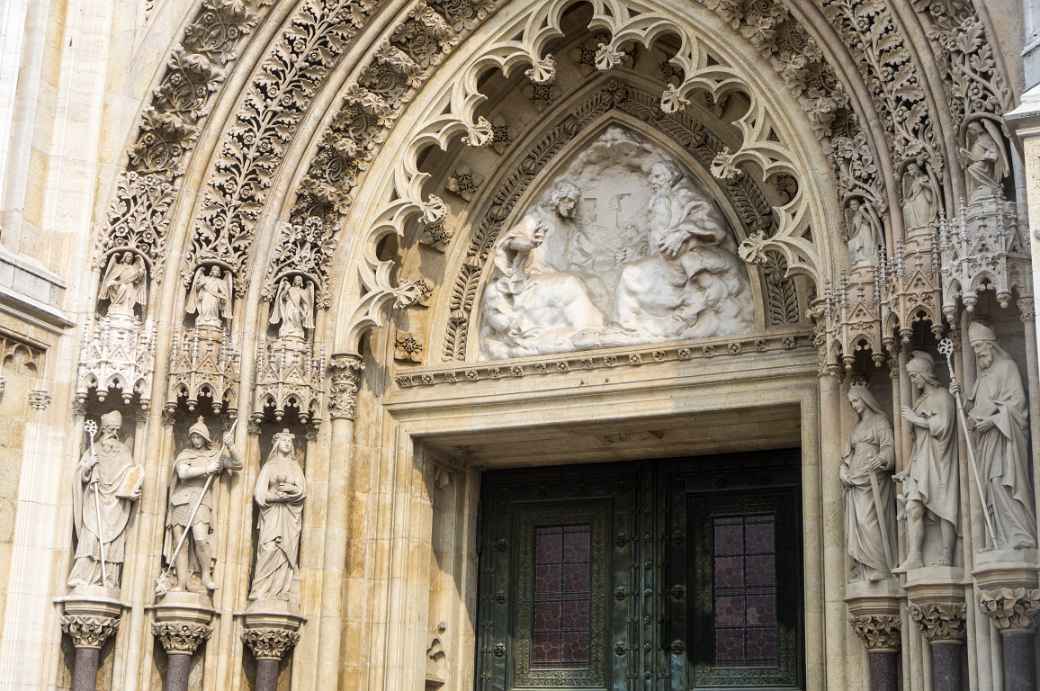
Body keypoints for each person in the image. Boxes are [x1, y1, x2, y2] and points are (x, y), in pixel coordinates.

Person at [614, 160, 753, 338]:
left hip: (686, 256)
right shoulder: (658, 200)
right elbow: (655, 237)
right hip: (666, 260)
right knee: (630, 273)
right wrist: (635, 253)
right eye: (651, 177)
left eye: (657, 176)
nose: (652, 181)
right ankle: (629, 325)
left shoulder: (684, 195)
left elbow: (709, 220)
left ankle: (633, 324)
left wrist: (682, 233)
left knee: (635, 273)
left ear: (670, 177)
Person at [480, 208, 605, 359]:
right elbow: (511, 241)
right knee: (569, 284)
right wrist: (530, 243)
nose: (571, 206)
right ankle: (586, 329)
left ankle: (589, 328)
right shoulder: (534, 220)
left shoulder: (570, 226)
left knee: (591, 283)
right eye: (568, 199)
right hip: (527, 276)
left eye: (573, 202)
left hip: (548, 272)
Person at [967, 321, 1036, 550]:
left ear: (990, 344)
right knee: (989, 486)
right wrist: (964, 404)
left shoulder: (1007, 367)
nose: (976, 352)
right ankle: (997, 538)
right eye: (973, 348)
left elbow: (1018, 404)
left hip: (1005, 439)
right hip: (987, 441)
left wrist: (993, 421)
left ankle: (1021, 535)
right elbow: (975, 410)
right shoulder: (982, 377)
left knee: (1001, 482)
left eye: (979, 346)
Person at [896, 351, 959, 569]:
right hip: (921, 460)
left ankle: (947, 556)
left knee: (944, 507)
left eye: (914, 376)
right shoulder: (920, 401)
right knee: (913, 507)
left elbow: (944, 426)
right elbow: (917, 442)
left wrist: (915, 419)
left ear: (924, 373)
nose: (913, 381)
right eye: (910, 377)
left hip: (940, 459)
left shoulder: (943, 396)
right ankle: (915, 556)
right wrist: (907, 469)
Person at [163, 417, 240, 592]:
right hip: (181, 500)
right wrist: (207, 469)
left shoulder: (215, 455)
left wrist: (231, 446)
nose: (196, 440)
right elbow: (183, 473)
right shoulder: (185, 455)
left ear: (205, 438)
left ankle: (206, 575)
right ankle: (181, 582)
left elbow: (238, 465)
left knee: (201, 539)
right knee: (180, 543)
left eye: (199, 437)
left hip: (202, 500)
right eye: (193, 437)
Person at [68, 410, 143, 590]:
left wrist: (130, 492)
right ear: (103, 429)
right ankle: (82, 576)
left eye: (115, 430)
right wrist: (88, 466)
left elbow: (131, 476)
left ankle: (108, 578)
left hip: (116, 504)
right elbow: (79, 474)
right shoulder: (93, 449)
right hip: (94, 501)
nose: (113, 434)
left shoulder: (124, 451)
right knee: (90, 535)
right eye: (109, 430)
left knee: (111, 540)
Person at [841, 384, 897, 582]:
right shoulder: (856, 429)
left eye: (856, 400)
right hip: (855, 482)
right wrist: (843, 472)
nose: (854, 405)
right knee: (857, 524)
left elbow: (889, 448)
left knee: (868, 521)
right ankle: (864, 568)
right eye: (851, 403)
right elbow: (846, 457)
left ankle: (879, 567)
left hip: (873, 479)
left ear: (865, 398)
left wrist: (881, 459)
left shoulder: (879, 421)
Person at [248, 429, 306, 603]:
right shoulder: (269, 466)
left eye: (289, 441)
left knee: (285, 551)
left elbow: (302, 491)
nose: (287, 443)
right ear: (277, 444)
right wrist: (275, 497)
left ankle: (280, 590)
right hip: (272, 512)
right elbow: (259, 493)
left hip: (289, 515)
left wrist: (290, 491)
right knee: (269, 547)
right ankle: (260, 589)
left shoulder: (295, 467)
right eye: (284, 441)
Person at [960, 120, 1006, 203]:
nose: (970, 133)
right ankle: (984, 185)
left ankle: (992, 185)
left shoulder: (985, 138)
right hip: (980, 162)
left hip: (986, 164)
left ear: (976, 129)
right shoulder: (977, 140)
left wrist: (984, 156)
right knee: (971, 168)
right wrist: (966, 154)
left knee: (972, 168)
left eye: (971, 130)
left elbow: (995, 153)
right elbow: (975, 156)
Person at [99, 251, 147, 318]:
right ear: (125, 257)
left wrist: (140, 273)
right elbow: (113, 276)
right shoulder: (119, 267)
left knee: (127, 287)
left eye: (131, 257)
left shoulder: (132, 268)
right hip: (118, 285)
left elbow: (136, 281)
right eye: (128, 256)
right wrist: (115, 282)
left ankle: (126, 307)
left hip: (129, 285)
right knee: (122, 287)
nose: (130, 258)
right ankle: (115, 304)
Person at [270, 275, 314, 340]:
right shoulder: (290, 289)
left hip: (297, 307)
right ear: (294, 281)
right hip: (289, 305)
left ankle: (297, 330)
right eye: (296, 279)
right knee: (288, 318)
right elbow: (282, 297)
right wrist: (286, 289)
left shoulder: (302, 291)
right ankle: (287, 330)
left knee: (296, 316)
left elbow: (306, 302)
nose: (297, 281)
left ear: (301, 282)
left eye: (299, 280)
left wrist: (305, 310)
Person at [901, 162, 938, 231]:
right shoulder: (914, 182)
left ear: (915, 169)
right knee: (907, 206)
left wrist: (924, 185)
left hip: (923, 198)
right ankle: (915, 227)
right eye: (909, 170)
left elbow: (932, 188)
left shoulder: (924, 177)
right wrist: (905, 199)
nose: (910, 172)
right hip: (915, 199)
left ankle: (926, 228)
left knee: (923, 217)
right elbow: (909, 194)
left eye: (911, 170)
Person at [846, 198, 882, 267]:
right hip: (859, 233)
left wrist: (863, 218)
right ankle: (860, 259)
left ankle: (871, 262)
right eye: (851, 205)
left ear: (858, 204)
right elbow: (853, 230)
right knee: (853, 243)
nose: (853, 206)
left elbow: (870, 220)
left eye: (854, 204)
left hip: (865, 230)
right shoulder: (854, 217)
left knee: (867, 246)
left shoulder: (861, 211)